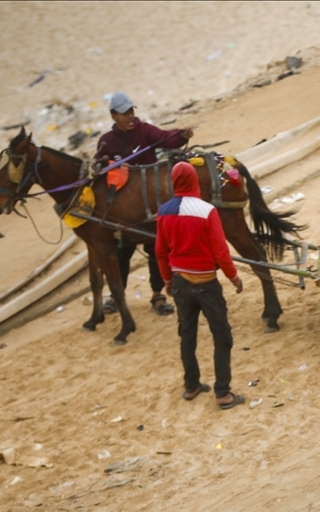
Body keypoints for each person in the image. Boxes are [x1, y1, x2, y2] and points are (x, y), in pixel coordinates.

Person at [95, 92, 196, 316]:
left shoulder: (145, 130)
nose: (130, 116)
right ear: (114, 116)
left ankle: (157, 295)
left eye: (132, 111)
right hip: (124, 212)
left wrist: (181, 135)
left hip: (151, 205)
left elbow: (167, 138)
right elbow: (98, 171)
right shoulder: (106, 141)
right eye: (125, 113)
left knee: (156, 249)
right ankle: (115, 295)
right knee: (122, 254)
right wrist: (104, 165)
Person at [155, 162, 245, 410]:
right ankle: (223, 393)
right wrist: (234, 277)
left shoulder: (163, 211)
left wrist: (167, 280)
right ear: (194, 180)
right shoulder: (206, 210)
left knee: (187, 336)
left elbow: (161, 251)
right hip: (206, 284)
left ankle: (192, 386)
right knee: (222, 336)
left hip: (180, 283)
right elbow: (220, 251)